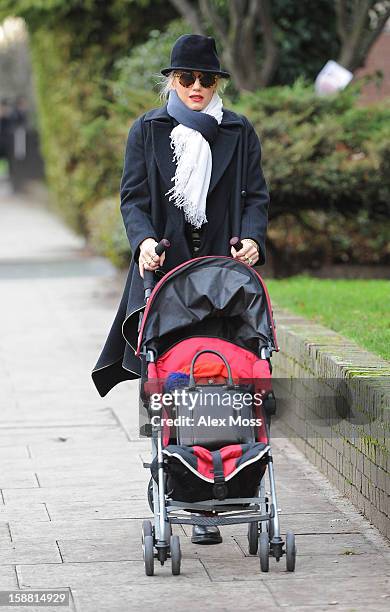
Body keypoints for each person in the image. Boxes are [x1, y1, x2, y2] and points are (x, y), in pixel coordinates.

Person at [92, 34, 270, 544]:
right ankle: (184, 489)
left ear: (217, 82)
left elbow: (256, 196)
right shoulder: (147, 130)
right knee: (175, 380)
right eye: (185, 78)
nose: (195, 87)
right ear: (170, 80)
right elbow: (133, 198)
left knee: (221, 375)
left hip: (221, 276)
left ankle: (220, 489)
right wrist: (143, 240)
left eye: (205, 79)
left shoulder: (238, 130)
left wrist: (254, 240)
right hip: (165, 273)